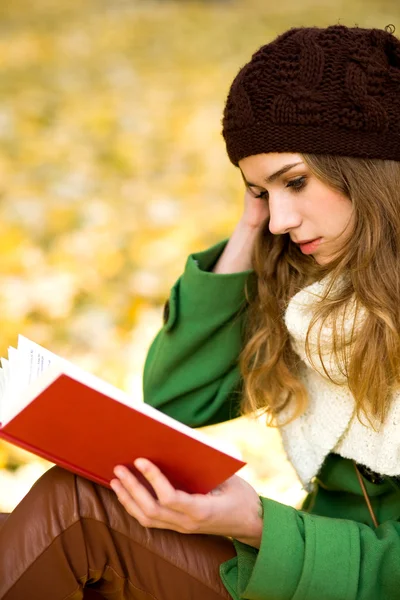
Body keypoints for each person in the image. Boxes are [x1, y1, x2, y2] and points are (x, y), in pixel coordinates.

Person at [1, 23, 400, 600]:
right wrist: (247, 229)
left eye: (294, 181)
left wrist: (255, 524)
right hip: (310, 569)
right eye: (261, 193)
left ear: (371, 167)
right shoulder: (317, 290)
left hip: (327, 575)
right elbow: (178, 397)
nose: (281, 221)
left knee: (73, 511)